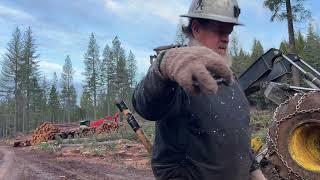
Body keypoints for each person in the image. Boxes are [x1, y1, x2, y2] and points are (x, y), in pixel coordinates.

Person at [132, 0, 267, 179]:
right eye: (219, 30)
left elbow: (238, 139)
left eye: (229, 31)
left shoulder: (229, 79)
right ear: (196, 28)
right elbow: (145, 106)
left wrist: (257, 174)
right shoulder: (176, 77)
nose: (226, 38)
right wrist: (162, 67)